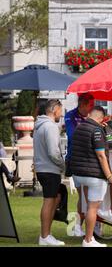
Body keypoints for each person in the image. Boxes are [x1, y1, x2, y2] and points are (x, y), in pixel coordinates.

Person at [70, 106, 112, 247]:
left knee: (89, 206)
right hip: (93, 175)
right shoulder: (97, 130)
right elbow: (101, 155)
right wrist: (110, 176)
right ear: (101, 119)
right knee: (93, 208)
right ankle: (88, 240)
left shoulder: (78, 128)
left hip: (78, 174)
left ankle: (89, 235)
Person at [33, 100, 66, 246]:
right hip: (49, 169)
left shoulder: (40, 126)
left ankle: (46, 235)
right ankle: (45, 236)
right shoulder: (50, 126)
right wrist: (63, 165)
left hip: (44, 169)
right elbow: (53, 152)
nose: (62, 113)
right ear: (54, 109)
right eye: (60, 110)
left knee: (54, 199)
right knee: (49, 200)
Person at [64, 93, 95, 237]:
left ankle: (82, 226)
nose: (93, 107)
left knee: (88, 197)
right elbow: (72, 135)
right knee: (83, 196)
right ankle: (77, 226)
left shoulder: (92, 116)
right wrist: (89, 126)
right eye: (91, 104)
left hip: (90, 160)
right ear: (82, 104)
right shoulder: (70, 115)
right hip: (75, 159)